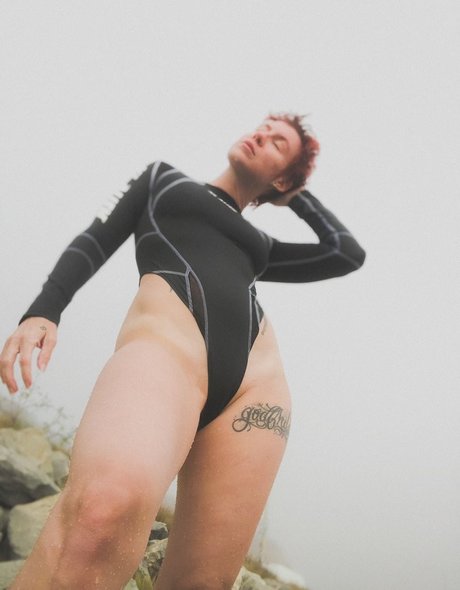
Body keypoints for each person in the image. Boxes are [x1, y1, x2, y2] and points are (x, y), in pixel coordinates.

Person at [0, 112, 366, 589]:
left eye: (278, 142)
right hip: (165, 352)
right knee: (100, 513)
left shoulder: (264, 245)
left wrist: (294, 195)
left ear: (282, 178)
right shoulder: (162, 180)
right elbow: (96, 237)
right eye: (262, 128)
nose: (261, 135)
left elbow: (345, 253)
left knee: (203, 583)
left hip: (256, 386)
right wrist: (44, 310)